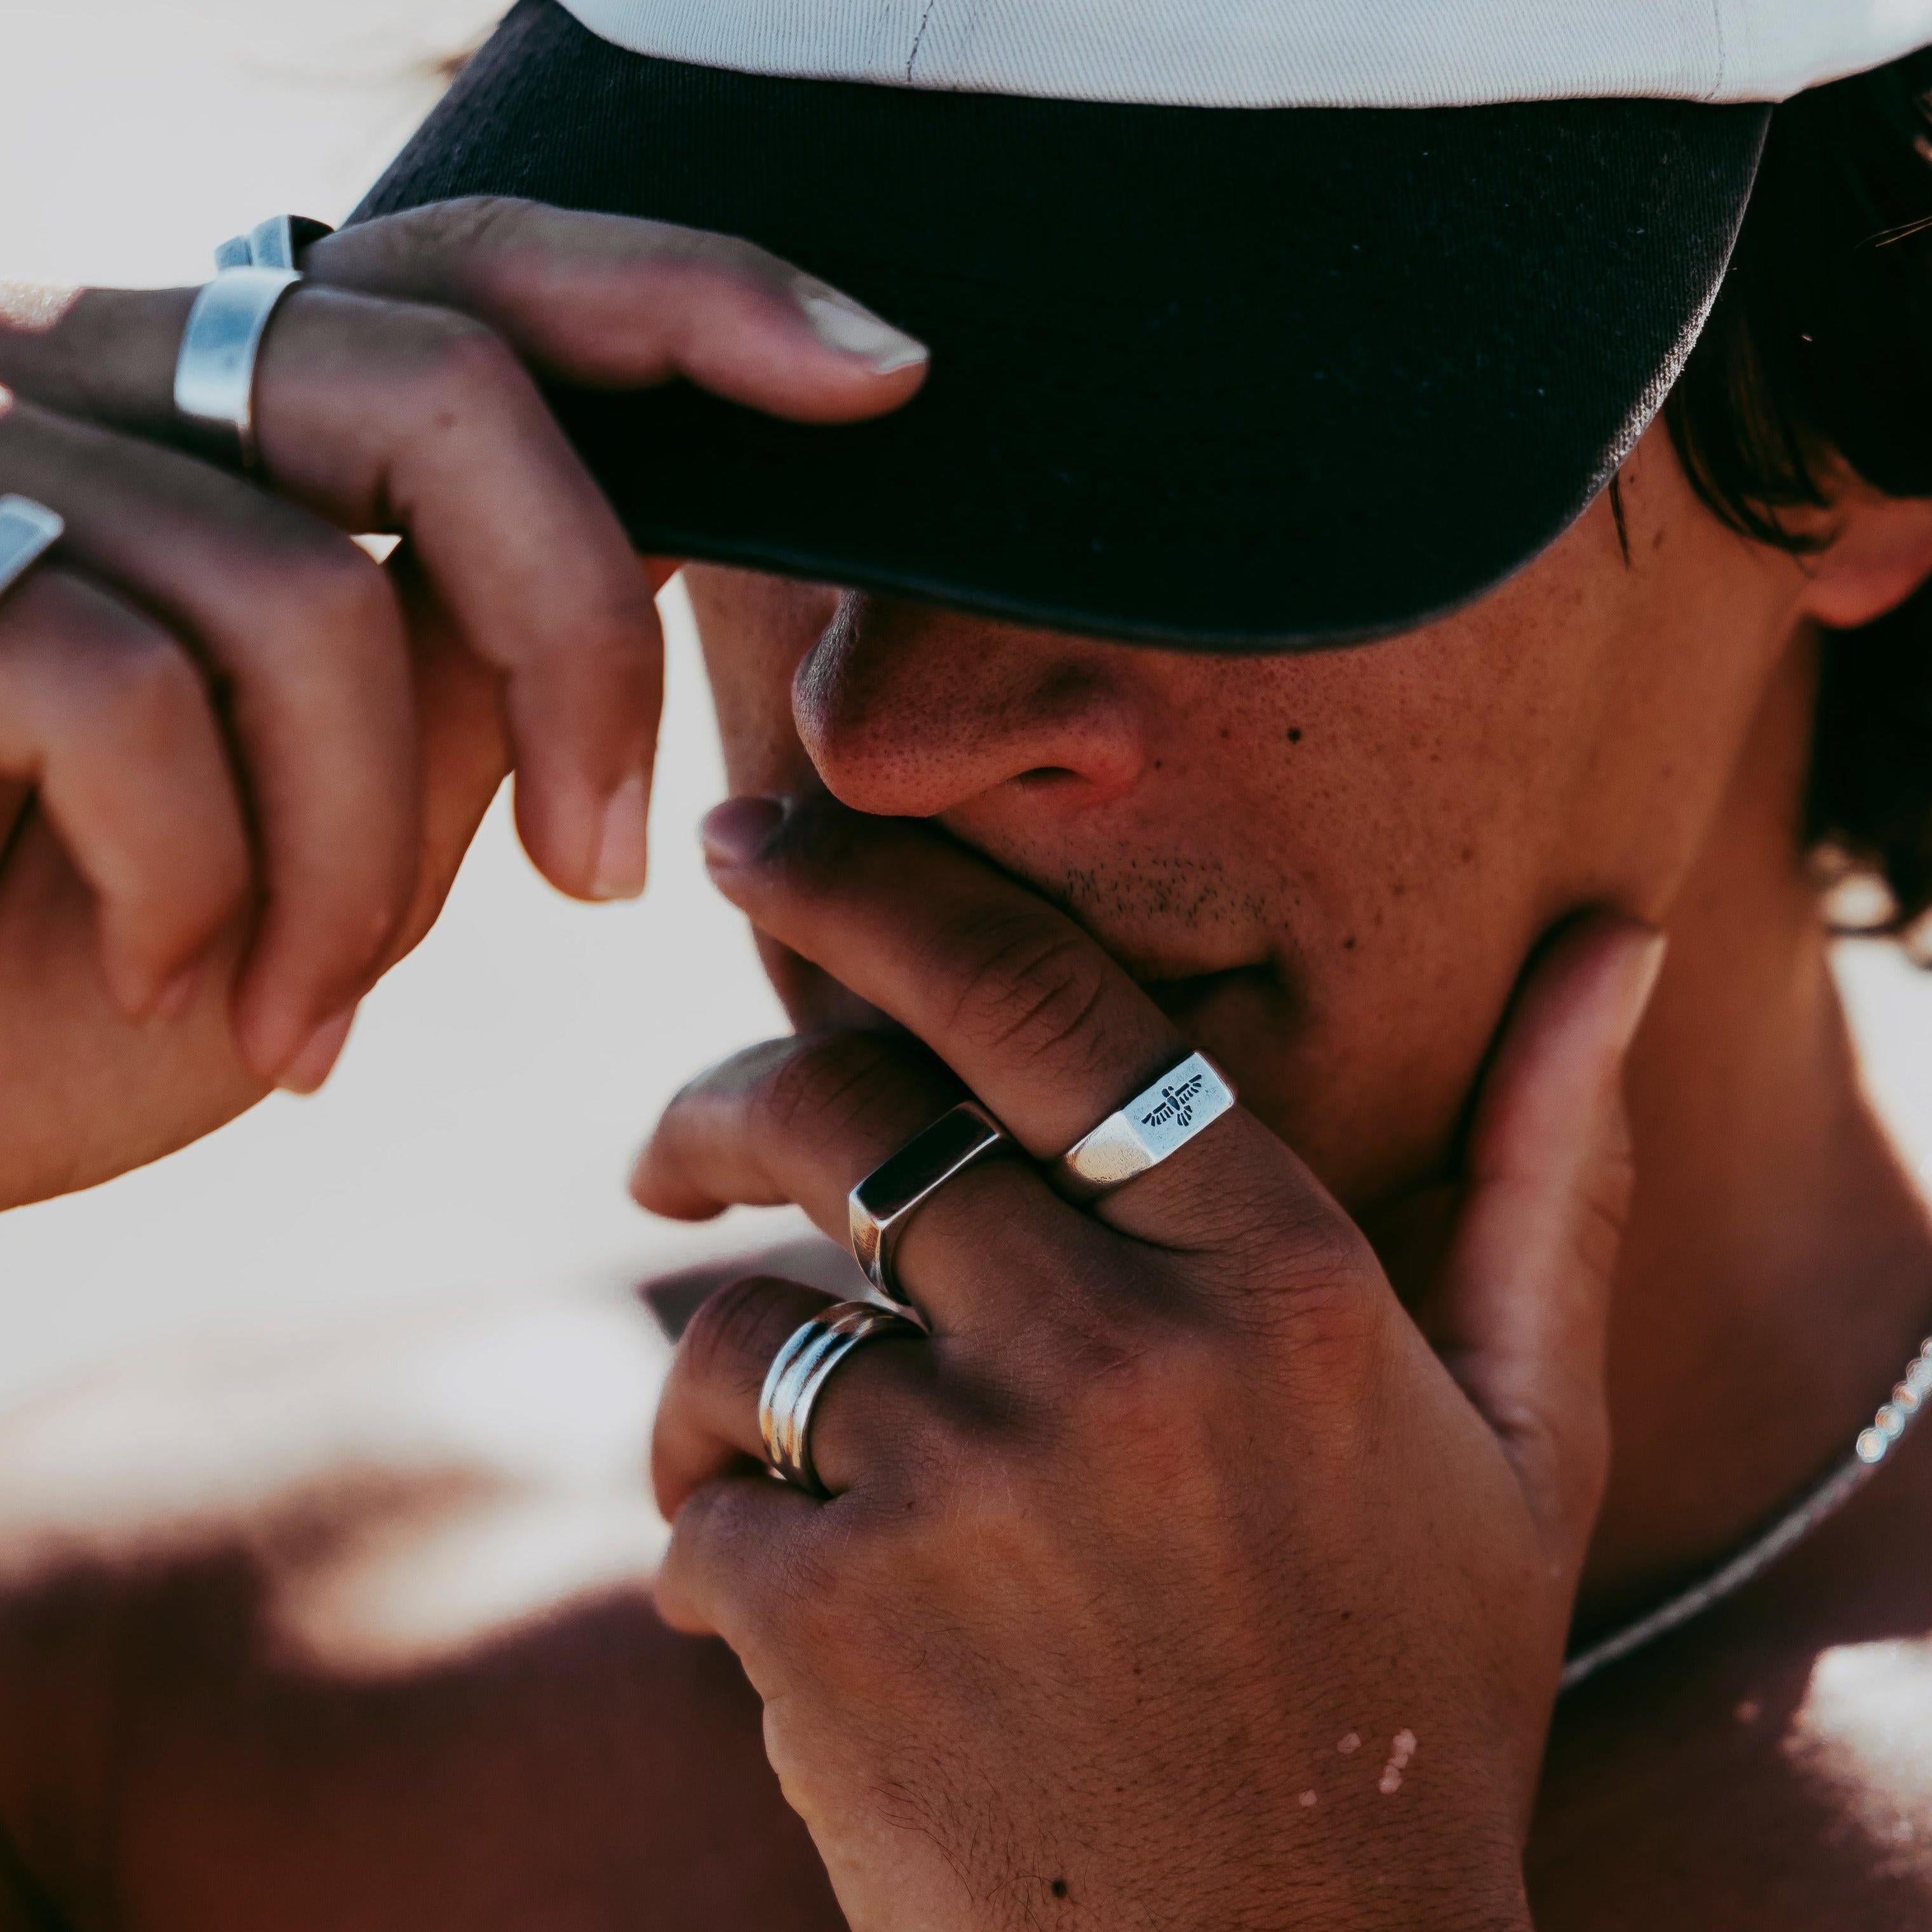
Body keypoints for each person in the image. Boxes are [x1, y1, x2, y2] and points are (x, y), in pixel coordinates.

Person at [6, 1, 1932, 1926]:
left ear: (1865, 416)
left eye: (1218, 436)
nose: (877, 729)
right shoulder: (183, 1688)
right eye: (742, 410)